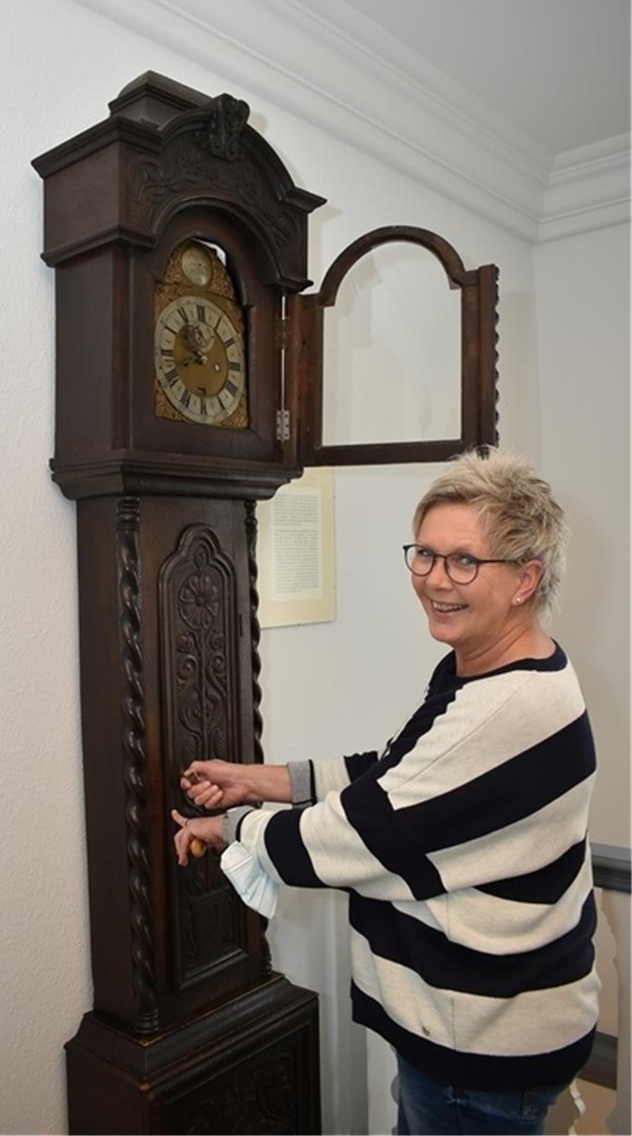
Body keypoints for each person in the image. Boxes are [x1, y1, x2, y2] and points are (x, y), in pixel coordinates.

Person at [172, 448, 599, 1136]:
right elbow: (401, 773)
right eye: (424, 554)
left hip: (482, 1045)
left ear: (526, 578)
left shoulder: (508, 706)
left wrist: (238, 827)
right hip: (476, 1030)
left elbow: (368, 831)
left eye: (464, 560)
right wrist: (262, 779)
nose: (435, 579)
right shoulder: (492, 671)